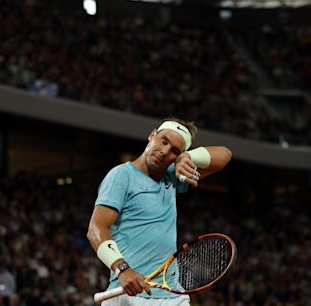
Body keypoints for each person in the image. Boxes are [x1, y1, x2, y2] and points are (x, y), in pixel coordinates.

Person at [87, 117, 232, 305]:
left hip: (172, 296)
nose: (165, 152)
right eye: (163, 141)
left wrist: (187, 157)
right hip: (128, 295)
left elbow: (225, 155)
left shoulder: (173, 176)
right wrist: (122, 269)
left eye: (174, 151)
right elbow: (96, 229)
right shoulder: (121, 175)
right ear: (152, 135)